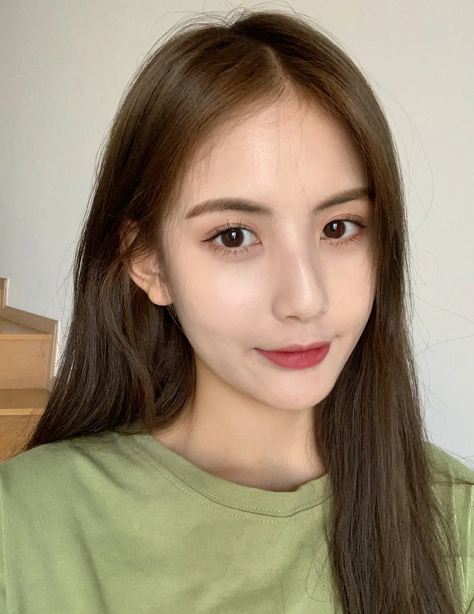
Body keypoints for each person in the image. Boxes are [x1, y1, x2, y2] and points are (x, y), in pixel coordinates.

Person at [1, 8, 473, 614]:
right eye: (234, 236)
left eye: (339, 227)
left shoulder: (456, 523)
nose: (305, 299)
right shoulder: (23, 528)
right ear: (149, 262)